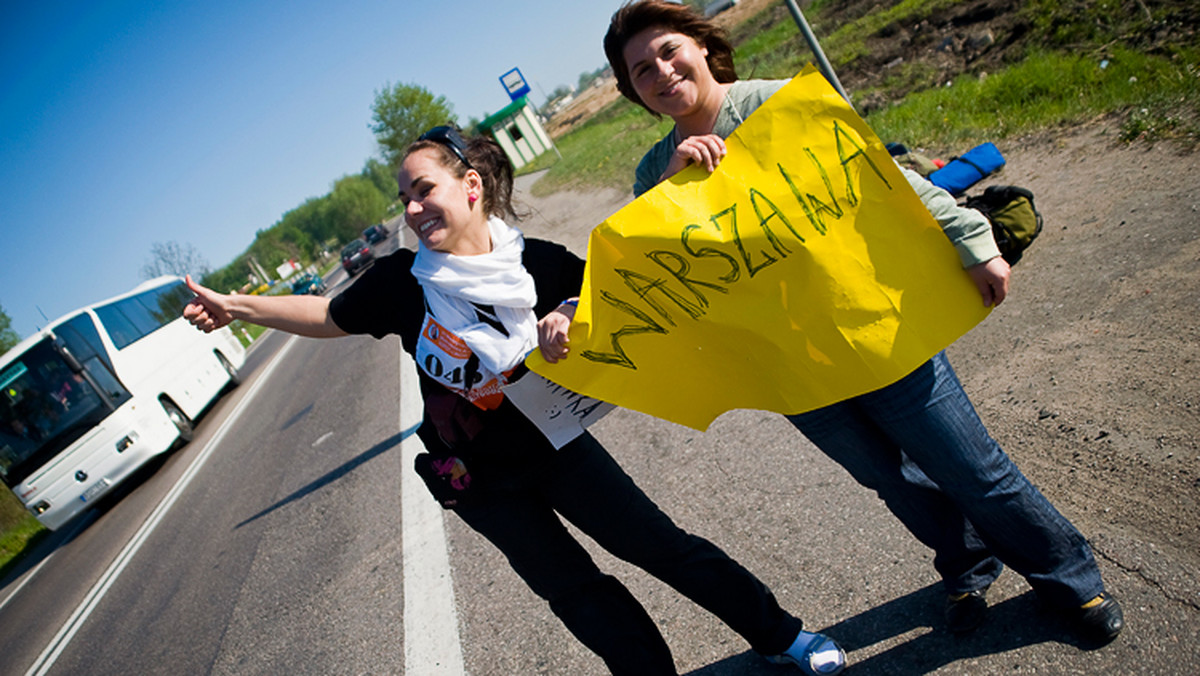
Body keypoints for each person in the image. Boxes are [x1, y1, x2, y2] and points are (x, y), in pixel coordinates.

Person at [183, 127, 846, 675]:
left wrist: (568, 308)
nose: (412, 209)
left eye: (425, 190)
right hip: (472, 476)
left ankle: (782, 636)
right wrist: (237, 306)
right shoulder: (400, 283)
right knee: (572, 591)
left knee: (658, 546)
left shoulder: (539, 262)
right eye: (404, 198)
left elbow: (615, 288)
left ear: (470, 188)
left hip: (557, 446)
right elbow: (328, 314)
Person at [584, 0, 1124, 644]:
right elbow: (659, 265)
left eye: (669, 51)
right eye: (641, 70)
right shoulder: (653, 170)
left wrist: (971, 236)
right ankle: (968, 564)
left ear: (701, 47)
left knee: (972, 467)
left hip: (872, 326)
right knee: (891, 479)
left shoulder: (773, 104)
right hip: (791, 367)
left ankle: (1071, 578)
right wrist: (671, 186)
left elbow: (880, 177)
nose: (662, 73)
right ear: (632, 91)